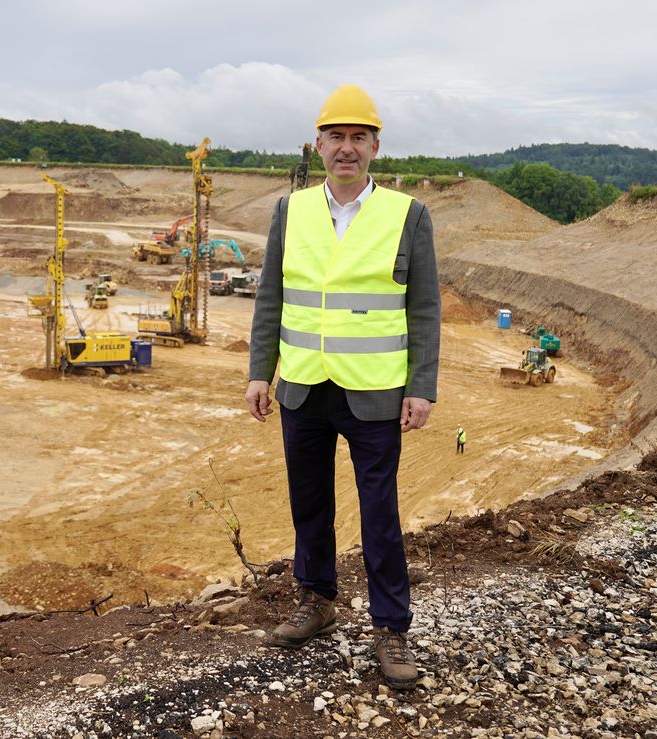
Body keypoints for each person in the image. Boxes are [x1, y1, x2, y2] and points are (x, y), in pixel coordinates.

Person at [244, 84, 440, 690]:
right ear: (319, 144)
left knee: (379, 512)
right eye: (337, 138)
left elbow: (424, 308)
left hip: (375, 391)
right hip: (302, 386)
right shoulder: (290, 210)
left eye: (359, 138)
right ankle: (319, 601)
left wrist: (421, 386)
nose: (346, 149)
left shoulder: (408, 215)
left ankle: (391, 627)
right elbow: (271, 298)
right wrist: (260, 370)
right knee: (309, 504)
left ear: (375, 146)